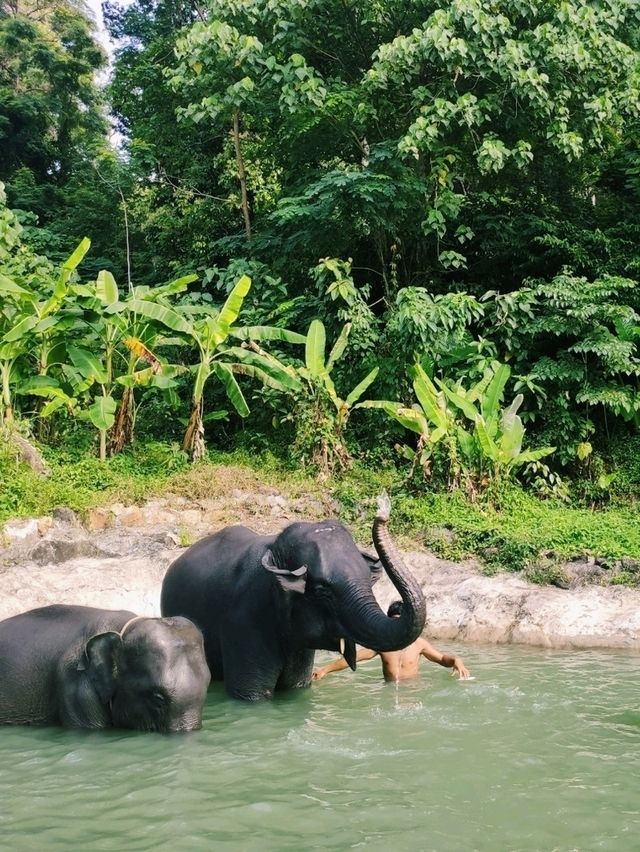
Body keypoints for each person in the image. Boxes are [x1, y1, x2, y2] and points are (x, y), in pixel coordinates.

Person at [312, 601, 471, 683]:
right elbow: (353, 658)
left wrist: (457, 661)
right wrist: (325, 670)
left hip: (413, 691)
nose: (396, 626)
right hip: (388, 691)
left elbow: (442, 659)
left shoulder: (419, 644)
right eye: (393, 621)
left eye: (399, 621)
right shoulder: (383, 644)